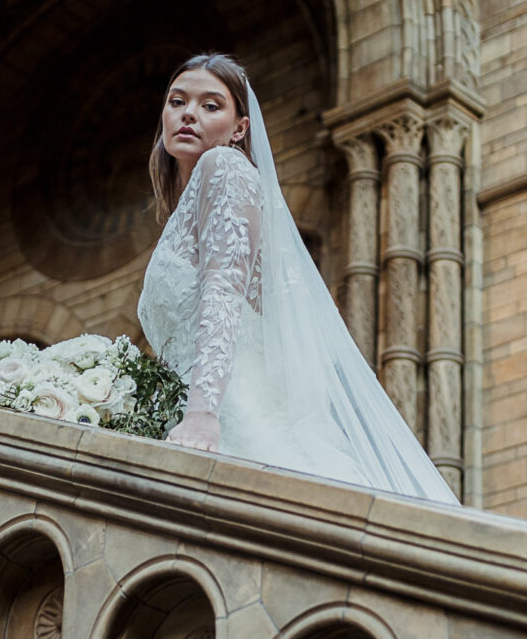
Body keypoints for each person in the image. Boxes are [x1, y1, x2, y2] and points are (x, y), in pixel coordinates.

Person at [136, 52, 459, 506]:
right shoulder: (189, 206)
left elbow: (223, 292)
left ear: (240, 128)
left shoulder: (222, 168)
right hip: (205, 405)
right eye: (177, 101)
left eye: (211, 105)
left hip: (228, 410)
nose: (188, 113)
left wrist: (203, 414)